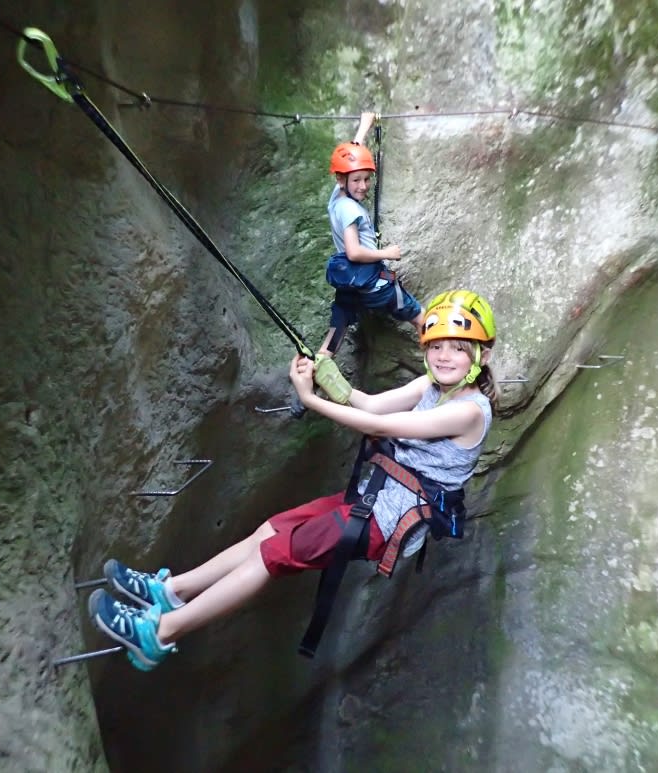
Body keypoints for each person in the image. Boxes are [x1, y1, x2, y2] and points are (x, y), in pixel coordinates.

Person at [88, 290, 499, 670]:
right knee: (273, 528)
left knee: (274, 553)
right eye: (437, 346)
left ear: (477, 356)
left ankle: (159, 634)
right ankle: (170, 591)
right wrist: (328, 376)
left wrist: (310, 399)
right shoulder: (431, 384)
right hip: (371, 497)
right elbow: (369, 403)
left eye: (457, 349)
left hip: (388, 522)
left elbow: (378, 423)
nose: (445, 357)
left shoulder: (470, 411)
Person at [318, 111, 425, 356]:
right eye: (357, 180)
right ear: (342, 179)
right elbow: (354, 252)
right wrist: (387, 252)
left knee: (333, 339)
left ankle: (312, 379)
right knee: (420, 317)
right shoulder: (348, 209)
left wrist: (364, 127)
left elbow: (350, 159)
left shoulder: (338, 195)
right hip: (374, 285)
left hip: (350, 286)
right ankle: (440, 371)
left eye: (366, 179)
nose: (364, 186)